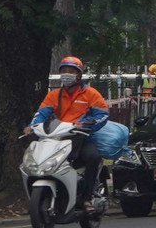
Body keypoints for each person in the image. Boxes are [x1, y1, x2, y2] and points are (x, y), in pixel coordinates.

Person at [23, 56, 111, 194]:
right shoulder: (53, 95)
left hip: (81, 138)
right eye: (64, 71)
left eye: (71, 71)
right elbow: (41, 114)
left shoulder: (91, 94)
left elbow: (103, 115)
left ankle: (87, 195)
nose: (67, 74)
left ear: (79, 74)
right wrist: (32, 126)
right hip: (56, 139)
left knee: (93, 157)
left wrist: (86, 124)